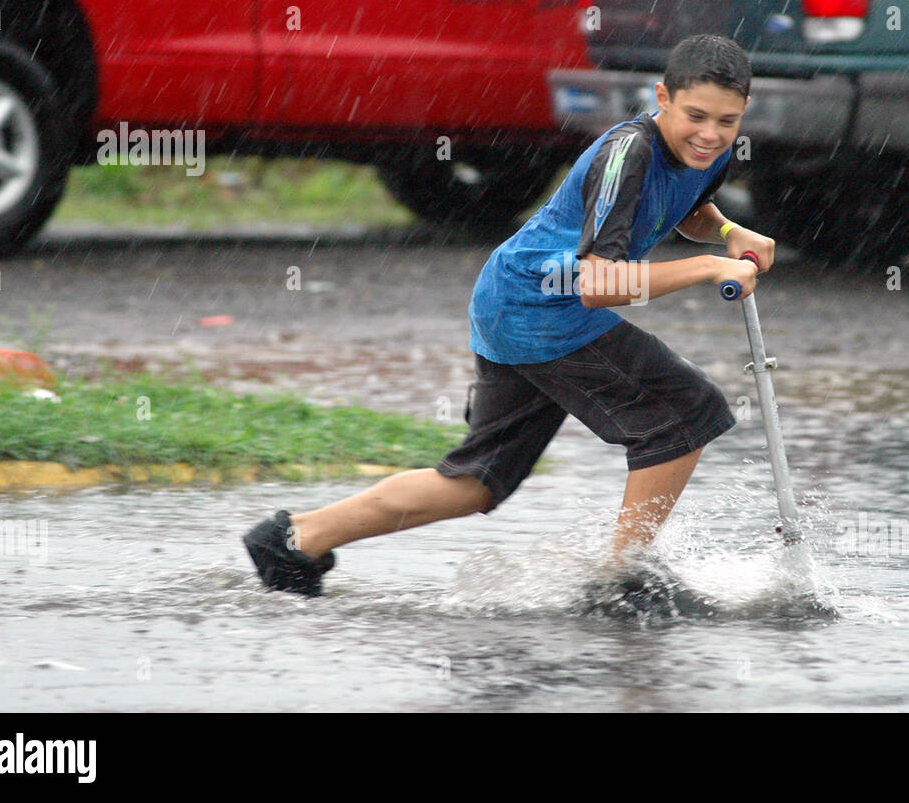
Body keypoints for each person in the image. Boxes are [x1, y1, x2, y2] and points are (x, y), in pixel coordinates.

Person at [243, 34, 774, 596]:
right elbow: (597, 285)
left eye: (727, 121)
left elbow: (681, 206)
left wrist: (726, 231)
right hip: (540, 308)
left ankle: (295, 539)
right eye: (696, 116)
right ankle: (625, 577)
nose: (711, 134)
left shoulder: (704, 151)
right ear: (662, 97)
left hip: (518, 304)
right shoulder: (629, 153)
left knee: (479, 481)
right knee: (685, 411)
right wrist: (707, 268)